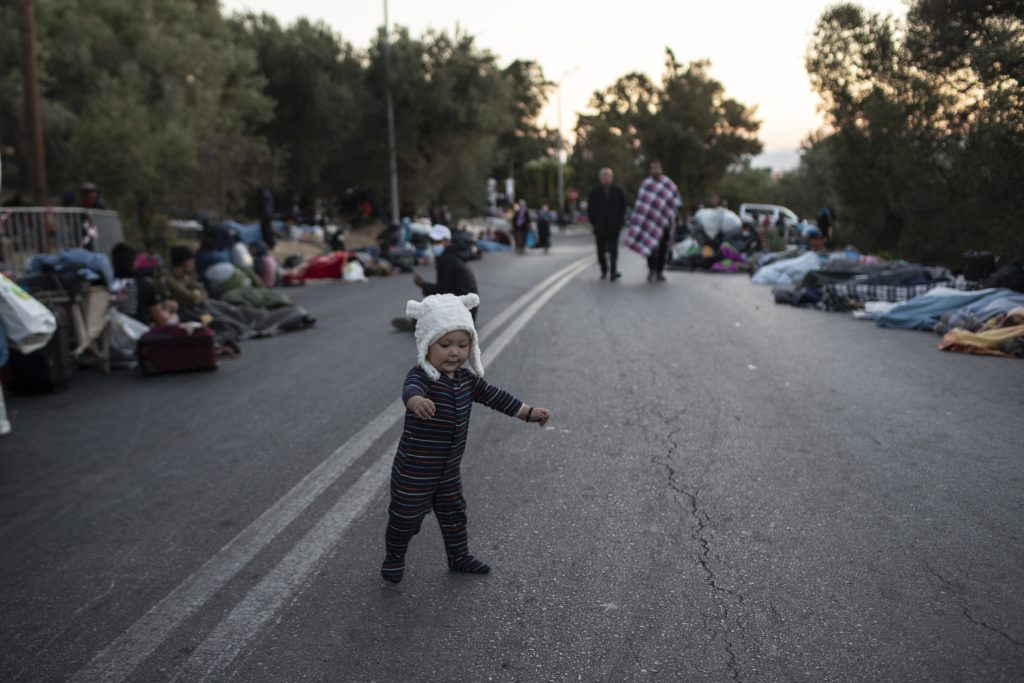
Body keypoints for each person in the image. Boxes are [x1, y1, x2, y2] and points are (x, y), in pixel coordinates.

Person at [381, 293, 551, 583]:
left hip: (447, 470)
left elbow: (497, 397)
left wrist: (527, 412)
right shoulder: (423, 376)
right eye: (445, 344)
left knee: (454, 514)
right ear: (426, 345)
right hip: (416, 470)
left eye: (462, 345)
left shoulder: (467, 379)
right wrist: (416, 401)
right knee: (405, 518)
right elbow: (410, 389)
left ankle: (458, 556)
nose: (454, 353)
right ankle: (395, 556)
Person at [392, 224, 479, 330]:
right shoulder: (455, 254)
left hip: (461, 314)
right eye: (432, 242)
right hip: (469, 313)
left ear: (447, 241)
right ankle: (417, 322)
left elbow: (442, 292)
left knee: (430, 304)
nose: (434, 245)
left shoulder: (445, 259)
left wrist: (422, 284)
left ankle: (417, 324)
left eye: (437, 242)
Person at [626, 160, 683, 282]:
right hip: (648, 223)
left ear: (661, 169)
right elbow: (641, 204)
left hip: (664, 223)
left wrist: (675, 218)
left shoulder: (668, 184)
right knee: (650, 247)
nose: (655, 170)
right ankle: (651, 269)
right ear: (650, 170)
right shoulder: (646, 184)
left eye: (657, 168)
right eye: (653, 168)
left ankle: (659, 271)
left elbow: (675, 202)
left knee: (663, 248)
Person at [111, 242, 178, 326]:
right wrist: (169, 310)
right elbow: (161, 322)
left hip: (112, 336)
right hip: (139, 335)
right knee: (175, 318)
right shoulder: (145, 285)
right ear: (135, 262)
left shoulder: (106, 286)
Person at [587, 168, 627, 280]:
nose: (606, 178)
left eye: (608, 176)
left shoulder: (618, 191)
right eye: (604, 176)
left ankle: (613, 272)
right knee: (601, 252)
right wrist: (594, 222)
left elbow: (623, 208)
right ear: (600, 178)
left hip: (614, 227)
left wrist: (620, 222)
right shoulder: (594, 192)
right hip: (600, 227)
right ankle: (604, 269)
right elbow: (590, 209)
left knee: (613, 250)